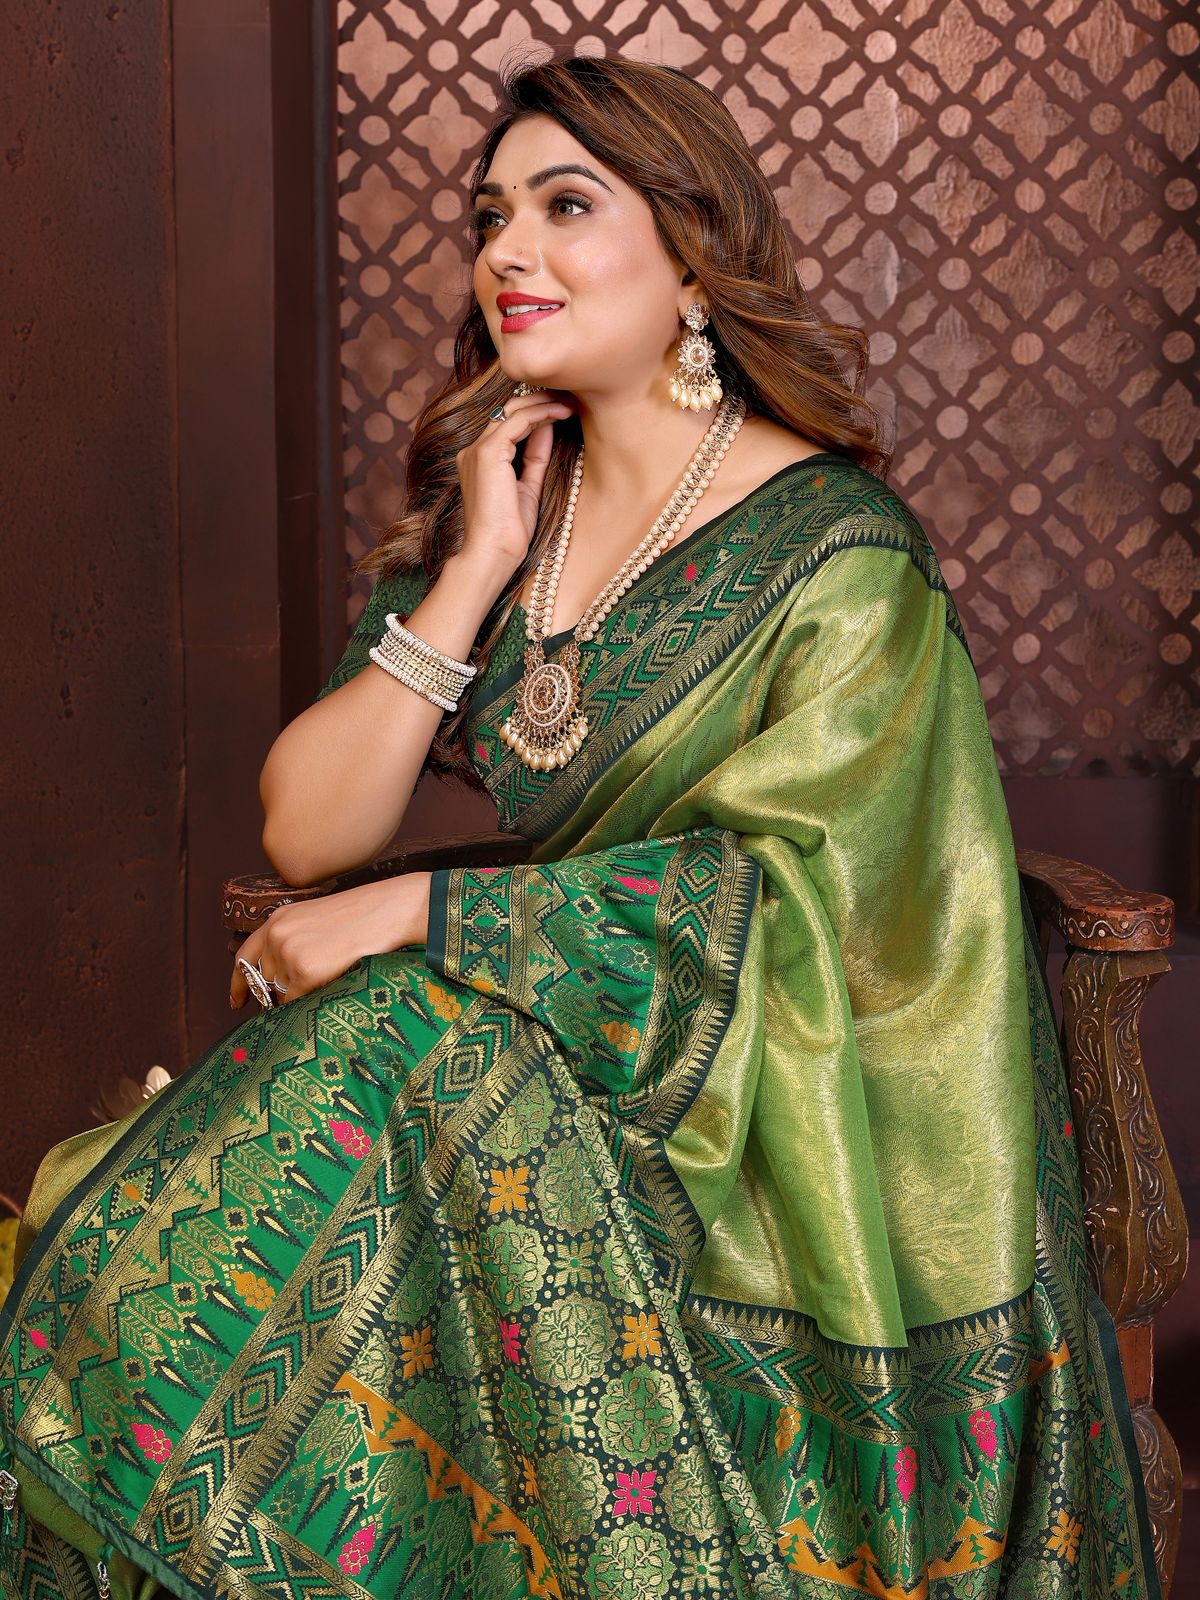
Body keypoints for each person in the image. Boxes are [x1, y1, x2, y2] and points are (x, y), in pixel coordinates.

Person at [0, 50, 1159, 1600]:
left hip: (774, 1121)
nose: (506, 253)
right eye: (490, 216)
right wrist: (474, 567)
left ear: (691, 255)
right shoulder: (514, 513)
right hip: (564, 1062)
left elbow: (816, 908)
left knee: (420, 1037)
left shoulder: (837, 554)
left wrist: (427, 915)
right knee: (424, 1057)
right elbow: (305, 827)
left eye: (565, 206)